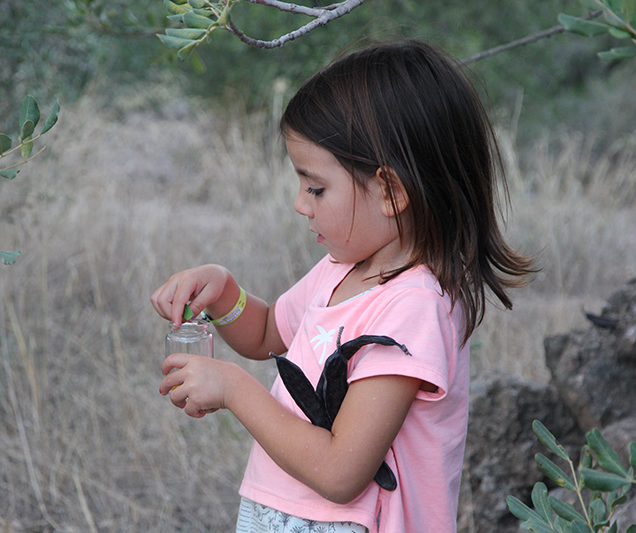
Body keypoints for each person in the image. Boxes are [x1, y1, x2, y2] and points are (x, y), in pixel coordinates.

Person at [150, 39, 535, 532]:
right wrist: (225, 294)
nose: (300, 203)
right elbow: (269, 331)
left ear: (391, 191)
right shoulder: (343, 268)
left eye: (316, 187)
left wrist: (233, 389)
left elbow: (341, 472)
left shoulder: (414, 307)